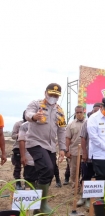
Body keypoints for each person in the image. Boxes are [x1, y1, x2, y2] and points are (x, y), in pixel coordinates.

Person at [25, 83, 66, 214]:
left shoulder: (60, 110)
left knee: (49, 173)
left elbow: (61, 130)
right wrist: (34, 116)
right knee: (47, 168)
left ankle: (38, 207)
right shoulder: (36, 104)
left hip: (51, 146)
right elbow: (28, 113)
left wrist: (62, 148)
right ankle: (42, 204)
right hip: (35, 142)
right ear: (45, 93)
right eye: (51, 94)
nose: (53, 97)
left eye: (56, 95)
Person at [77, 103, 101, 207]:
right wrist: (84, 153)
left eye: (98, 111)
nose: (95, 113)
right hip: (89, 155)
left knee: (97, 177)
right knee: (86, 175)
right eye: (94, 111)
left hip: (100, 156)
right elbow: (83, 138)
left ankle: (93, 198)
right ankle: (84, 197)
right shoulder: (87, 123)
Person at [65, 105, 85, 188]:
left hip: (85, 151)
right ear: (75, 113)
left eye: (81, 112)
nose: (79, 114)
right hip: (74, 150)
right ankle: (75, 185)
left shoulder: (89, 123)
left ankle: (84, 185)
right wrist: (67, 150)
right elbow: (67, 138)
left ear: (84, 112)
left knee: (85, 169)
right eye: (77, 112)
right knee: (74, 169)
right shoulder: (70, 125)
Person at [18, 121, 38, 189]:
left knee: (42, 178)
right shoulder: (25, 126)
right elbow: (21, 140)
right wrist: (23, 156)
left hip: (42, 157)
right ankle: (29, 193)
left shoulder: (45, 124)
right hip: (29, 157)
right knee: (29, 178)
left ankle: (39, 194)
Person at [11, 111, 26, 190]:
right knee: (18, 167)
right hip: (18, 148)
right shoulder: (18, 124)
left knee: (29, 167)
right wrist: (20, 135)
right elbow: (13, 136)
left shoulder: (33, 125)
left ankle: (27, 183)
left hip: (29, 148)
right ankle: (18, 183)